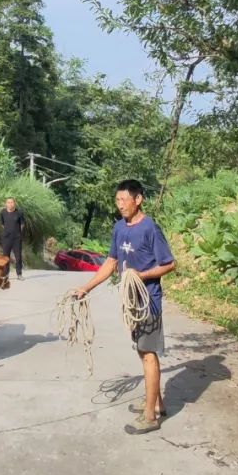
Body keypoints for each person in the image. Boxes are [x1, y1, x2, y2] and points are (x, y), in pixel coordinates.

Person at [75, 180, 175, 434]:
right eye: (117, 201)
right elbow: (111, 262)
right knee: (143, 352)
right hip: (130, 301)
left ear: (138, 199)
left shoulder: (150, 228)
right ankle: (157, 403)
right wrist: (86, 287)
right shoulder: (119, 228)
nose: (120, 205)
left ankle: (150, 416)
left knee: (148, 354)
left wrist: (141, 276)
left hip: (148, 300)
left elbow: (169, 263)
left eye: (124, 200)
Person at [0, 197, 25, 280]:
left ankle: (19, 274)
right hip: (6, 238)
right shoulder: (3, 212)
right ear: (6, 204)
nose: (10, 204)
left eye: (12, 202)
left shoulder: (19, 213)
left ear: (14, 203)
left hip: (17, 238)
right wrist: (7, 231)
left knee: (18, 257)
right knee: (6, 257)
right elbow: (2, 224)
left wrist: (17, 233)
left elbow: (22, 224)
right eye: (8, 202)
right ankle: (6, 274)